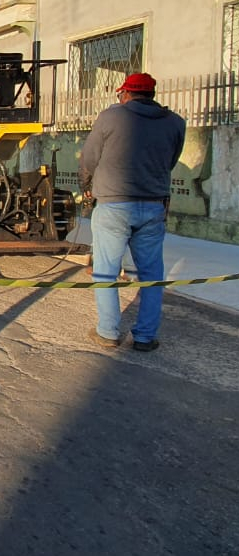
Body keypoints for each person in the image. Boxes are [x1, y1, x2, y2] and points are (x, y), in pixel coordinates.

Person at [79, 72, 185, 352]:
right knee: (152, 274)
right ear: (152, 94)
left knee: (106, 271)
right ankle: (145, 337)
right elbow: (170, 161)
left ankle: (108, 332)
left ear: (126, 93)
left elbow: (89, 158)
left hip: (113, 206)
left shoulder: (110, 117)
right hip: (153, 205)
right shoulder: (175, 122)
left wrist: (86, 186)